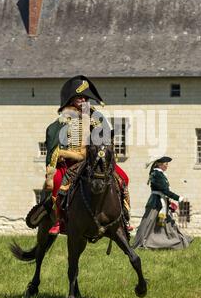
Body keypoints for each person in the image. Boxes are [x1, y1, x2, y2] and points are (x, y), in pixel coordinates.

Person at [27, 75, 132, 235]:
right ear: (71, 99)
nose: (82, 99)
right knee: (56, 182)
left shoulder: (96, 116)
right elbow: (54, 136)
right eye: (78, 97)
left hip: (96, 160)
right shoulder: (65, 118)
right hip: (71, 162)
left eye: (84, 97)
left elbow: (106, 139)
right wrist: (58, 157)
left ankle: (123, 217)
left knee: (123, 178)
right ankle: (59, 219)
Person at [132, 156, 192, 250]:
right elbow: (164, 190)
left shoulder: (160, 174)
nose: (167, 166)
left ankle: (173, 240)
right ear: (159, 164)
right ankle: (144, 242)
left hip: (162, 201)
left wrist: (169, 200)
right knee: (149, 222)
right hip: (156, 202)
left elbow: (164, 191)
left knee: (168, 222)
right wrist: (179, 198)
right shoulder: (156, 174)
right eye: (165, 164)